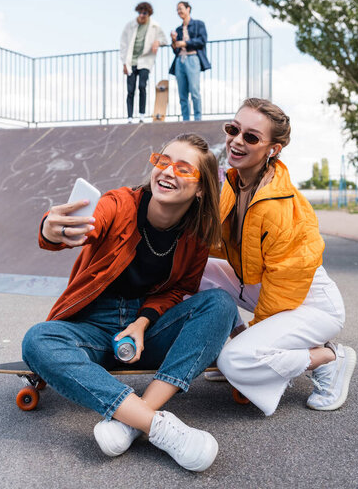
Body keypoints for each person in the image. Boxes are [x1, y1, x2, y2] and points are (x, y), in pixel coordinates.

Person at [22, 133, 238, 472]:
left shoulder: (196, 234)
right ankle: (157, 426)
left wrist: (141, 323)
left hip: (146, 330)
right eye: (163, 161)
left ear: (201, 188)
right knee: (38, 340)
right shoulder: (120, 204)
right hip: (91, 327)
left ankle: (130, 419)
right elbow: (87, 227)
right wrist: (52, 230)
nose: (167, 172)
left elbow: (177, 291)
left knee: (220, 305)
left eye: (183, 168)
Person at [200, 98, 357, 416]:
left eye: (252, 137)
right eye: (234, 129)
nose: (237, 140)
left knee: (235, 361)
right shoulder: (236, 181)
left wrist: (250, 359)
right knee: (194, 269)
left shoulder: (280, 206)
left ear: (273, 149)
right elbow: (221, 242)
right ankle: (248, 350)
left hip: (310, 305)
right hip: (262, 286)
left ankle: (329, 359)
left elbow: (281, 296)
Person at [120, 2, 167, 123]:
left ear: (148, 14)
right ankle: (130, 117)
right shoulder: (130, 25)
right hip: (131, 61)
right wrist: (124, 63)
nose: (141, 15)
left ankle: (141, 115)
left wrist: (157, 42)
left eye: (144, 13)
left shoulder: (155, 26)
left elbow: (164, 39)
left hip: (145, 61)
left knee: (142, 86)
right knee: (130, 90)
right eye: (139, 12)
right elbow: (123, 44)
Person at [169, 1, 211, 121]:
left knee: (194, 90)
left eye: (181, 8)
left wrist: (185, 43)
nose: (179, 11)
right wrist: (174, 41)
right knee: (182, 93)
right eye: (177, 9)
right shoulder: (178, 29)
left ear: (188, 9)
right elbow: (175, 49)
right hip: (179, 61)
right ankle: (185, 119)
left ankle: (198, 118)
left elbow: (202, 40)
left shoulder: (199, 24)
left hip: (193, 58)